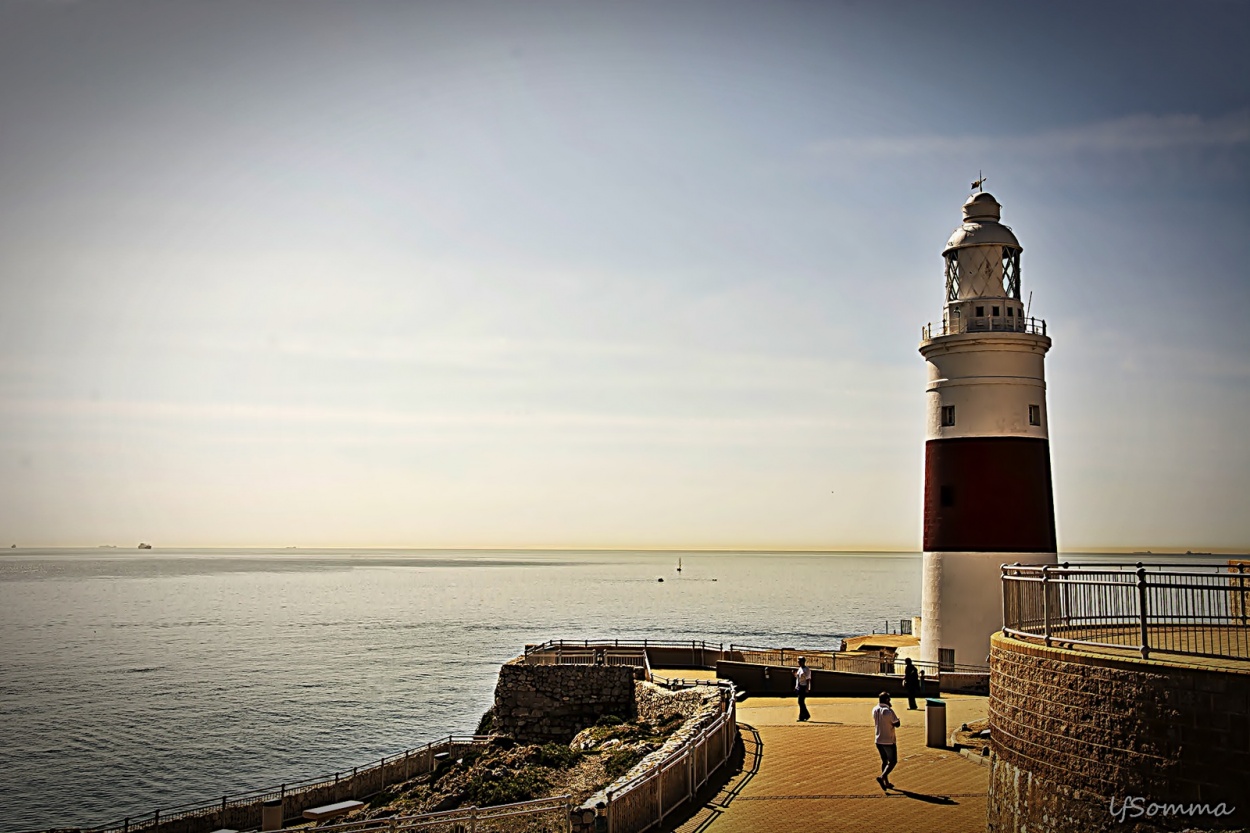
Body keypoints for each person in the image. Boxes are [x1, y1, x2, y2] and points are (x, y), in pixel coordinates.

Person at [872, 691, 901, 790]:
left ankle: (886, 782)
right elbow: (897, 723)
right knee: (893, 761)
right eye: (889, 699)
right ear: (887, 700)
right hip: (888, 740)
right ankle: (882, 777)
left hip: (878, 739)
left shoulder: (875, 709)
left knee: (884, 761)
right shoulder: (888, 711)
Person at [793, 656, 812, 722]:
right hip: (799, 686)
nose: (798, 662)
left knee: (800, 701)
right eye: (798, 661)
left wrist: (807, 688)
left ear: (803, 662)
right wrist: (796, 686)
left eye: (799, 661)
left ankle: (806, 715)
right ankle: (802, 717)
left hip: (803, 687)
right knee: (800, 702)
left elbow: (808, 679)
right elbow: (798, 678)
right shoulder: (800, 669)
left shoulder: (807, 669)